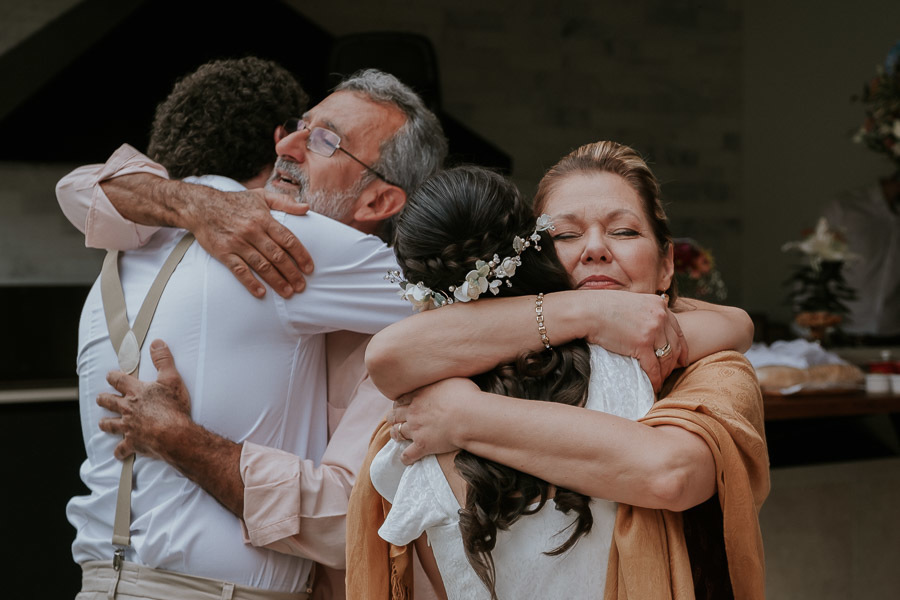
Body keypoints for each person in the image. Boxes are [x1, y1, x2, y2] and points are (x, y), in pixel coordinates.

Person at [59, 66, 447, 600]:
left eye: (325, 140)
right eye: (296, 125)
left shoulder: (154, 229)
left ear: (379, 202)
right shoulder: (284, 237)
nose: (287, 145)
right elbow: (464, 303)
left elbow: (78, 187)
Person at [350, 142, 768, 599]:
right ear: (533, 256)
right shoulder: (455, 363)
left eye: (625, 231)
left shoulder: (716, 368)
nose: (594, 249)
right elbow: (388, 355)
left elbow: (672, 472)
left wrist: (463, 417)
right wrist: (590, 311)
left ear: (667, 264)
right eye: (565, 235)